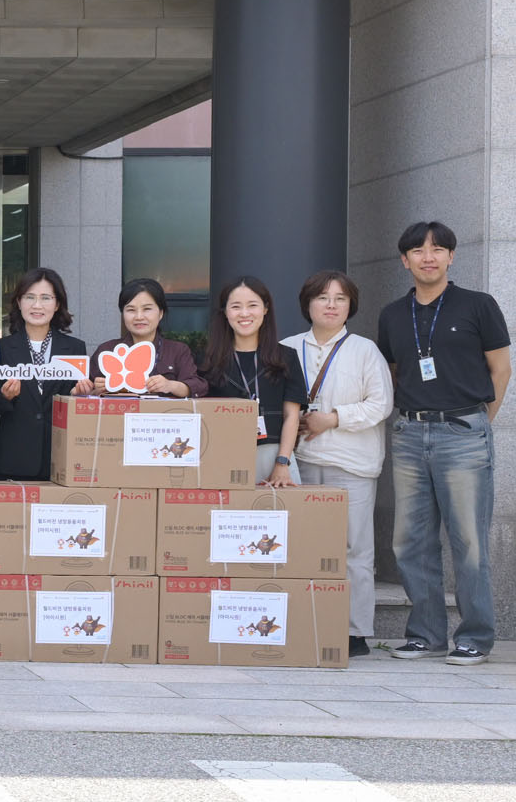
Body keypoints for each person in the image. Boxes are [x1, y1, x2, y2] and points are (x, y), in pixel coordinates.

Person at [378, 221, 511, 665]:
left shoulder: (478, 305)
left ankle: (475, 636)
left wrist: (479, 423)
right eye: (418, 250)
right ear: (405, 260)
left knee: (468, 540)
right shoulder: (392, 314)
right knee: (410, 540)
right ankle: (426, 634)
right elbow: (393, 373)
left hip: (463, 432)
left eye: (438, 249)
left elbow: (501, 370)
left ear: (451, 256)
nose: (428, 257)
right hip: (410, 433)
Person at [283, 269, 393, 659]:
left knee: (354, 549)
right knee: (299, 547)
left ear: (351, 306)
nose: (331, 305)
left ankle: (354, 631)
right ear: (307, 304)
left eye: (340, 299)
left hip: (351, 464)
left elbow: (381, 404)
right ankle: (300, 624)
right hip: (299, 463)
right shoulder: (287, 347)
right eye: (322, 298)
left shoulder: (365, 350)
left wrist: (333, 418)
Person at [0, 267, 90, 481]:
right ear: (19, 302)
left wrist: (78, 396)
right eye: (30, 297)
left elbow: (81, 407)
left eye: (45, 298)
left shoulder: (74, 348)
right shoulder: (1, 348)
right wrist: (5, 396)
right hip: (14, 458)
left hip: (61, 456)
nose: (37, 305)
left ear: (57, 304)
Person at [203, 275, 304, 486]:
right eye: (236, 306)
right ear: (225, 312)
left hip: (274, 457)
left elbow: (292, 416)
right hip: (223, 456)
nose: (244, 313)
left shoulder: (286, 357)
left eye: (252, 305)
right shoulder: (207, 361)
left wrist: (282, 462)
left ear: (265, 309)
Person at [92, 278, 208, 397]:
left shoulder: (177, 351)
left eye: (147, 309)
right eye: (131, 310)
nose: (139, 317)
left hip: (164, 409)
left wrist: (170, 385)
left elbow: (197, 387)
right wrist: (96, 390)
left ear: (161, 313)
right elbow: (87, 391)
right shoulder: (107, 350)